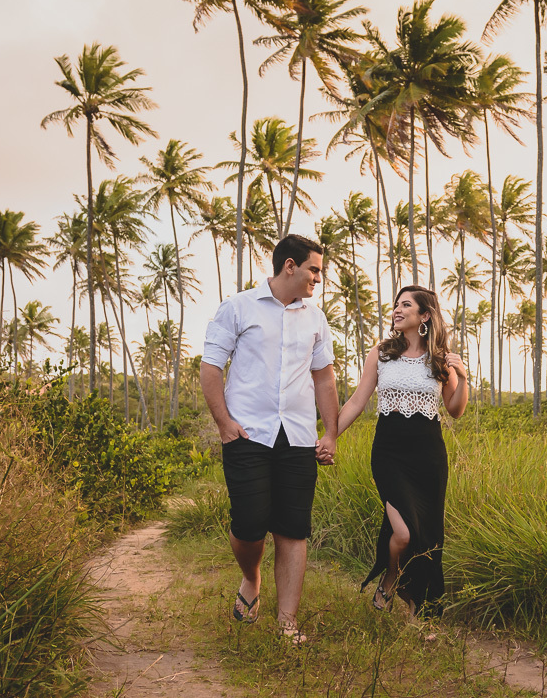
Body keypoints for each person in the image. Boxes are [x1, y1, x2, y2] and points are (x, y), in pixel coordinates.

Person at [200, 234, 339, 643]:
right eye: (315, 268)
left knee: (293, 529)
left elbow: (324, 378)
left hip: (297, 437)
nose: (319, 277)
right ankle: (251, 578)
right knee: (248, 526)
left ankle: (287, 621)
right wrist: (224, 423)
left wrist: (329, 432)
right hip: (247, 434)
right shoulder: (238, 307)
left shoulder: (315, 318)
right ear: (290, 266)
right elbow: (211, 368)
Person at [336, 285, 468, 618]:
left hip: (429, 457)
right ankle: (391, 576)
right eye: (395, 304)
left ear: (425, 316)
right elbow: (356, 401)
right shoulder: (380, 353)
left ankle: (419, 609)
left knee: (426, 535)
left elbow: (454, 409)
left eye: (405, 305)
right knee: (404, 532)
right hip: (390, 453)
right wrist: (328, 435)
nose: (396, 309)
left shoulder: (440, 359)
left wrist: (463, 378)